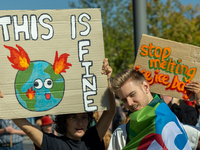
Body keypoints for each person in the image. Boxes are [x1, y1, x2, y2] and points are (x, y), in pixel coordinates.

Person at [0, 58, 116, 150]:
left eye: (84, 117)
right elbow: (28, 128)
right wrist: (3, 98)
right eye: (74, 117)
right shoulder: (54, 143)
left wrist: (106, 80)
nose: (80, 122)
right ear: (64, 121)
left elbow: (110, 111)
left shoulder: (92, 139)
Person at [108, 68, 192, 149]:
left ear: (145, 87)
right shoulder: (121, 133)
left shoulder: (169, 121)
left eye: (132, 94)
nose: (129, 103)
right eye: (124, 100)